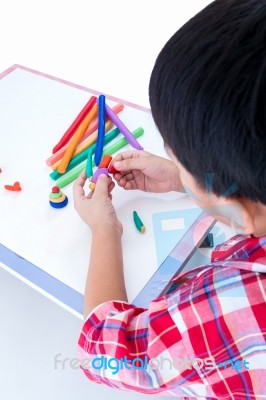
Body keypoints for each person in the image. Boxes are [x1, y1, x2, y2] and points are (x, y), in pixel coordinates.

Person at [73, 0, 266, 398]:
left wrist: (103, 229)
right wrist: (186, 177)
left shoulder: (230, 306)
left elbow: (104, 352)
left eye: (179, 156)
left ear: (239, 203)